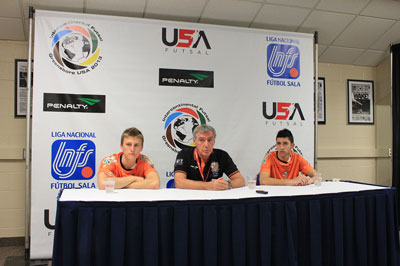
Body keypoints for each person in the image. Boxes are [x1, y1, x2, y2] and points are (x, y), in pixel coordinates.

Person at [174, 124, 245, 190]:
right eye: (201, 140)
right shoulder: (184, 154)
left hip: (215, 199)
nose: (206, 145)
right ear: (194, 141)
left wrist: (227, 184)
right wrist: (208, 185)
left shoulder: (222, 155)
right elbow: (179, 183)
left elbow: (240, 181)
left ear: (214, 140)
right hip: (191, 198)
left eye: (210, 140)